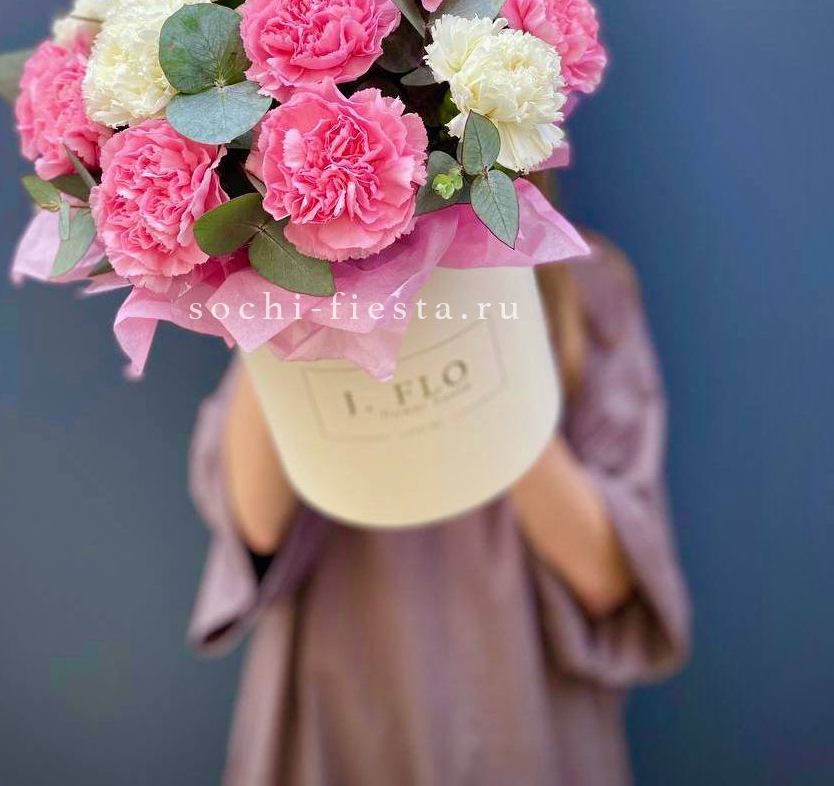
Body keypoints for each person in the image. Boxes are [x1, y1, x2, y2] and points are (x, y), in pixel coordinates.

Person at [188, 211, 691, 785]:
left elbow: (605, 576)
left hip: (520, 703)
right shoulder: (290, 288)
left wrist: (469, 317)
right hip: (341, 698)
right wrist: (284, 277)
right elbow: (255, 525)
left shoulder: (583, 280)